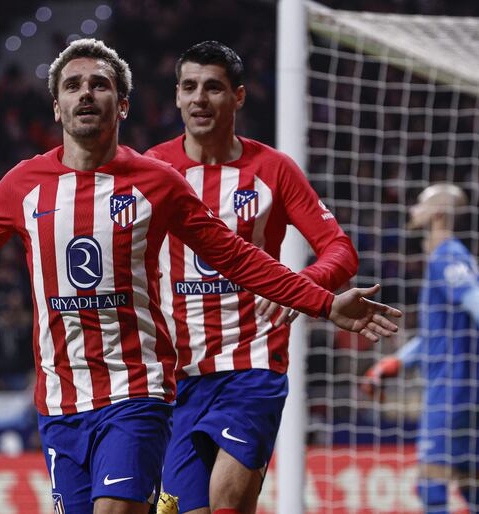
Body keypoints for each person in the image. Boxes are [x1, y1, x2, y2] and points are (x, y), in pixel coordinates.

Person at [0, 38, 402, 514]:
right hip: (61, 398)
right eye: (72, 85)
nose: (85, 93)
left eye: (99, 84)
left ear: (122, 106)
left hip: (141, 387)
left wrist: (322, 300)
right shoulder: (23, 185)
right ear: (56, 105)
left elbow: (236, 256)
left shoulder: (157, 182)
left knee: (156, 507)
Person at [144, 41, 360, 514]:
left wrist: (305, 288)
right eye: (190, 87)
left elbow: (340, 249)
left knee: (225, 502)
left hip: (252, 365)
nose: (200, 98)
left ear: (238, 97)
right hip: (178, 376)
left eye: (214, 88)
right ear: (177, 97)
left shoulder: (273, 170)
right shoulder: (151, 171)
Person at [362, 183, 479, 514]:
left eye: (421, 203)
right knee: (472, 485)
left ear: (439, 214)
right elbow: (439, 332)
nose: (413, 210)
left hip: (451, 390)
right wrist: (395, 363)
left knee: (431, 485)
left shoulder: (447, 258)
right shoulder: (459, 259)